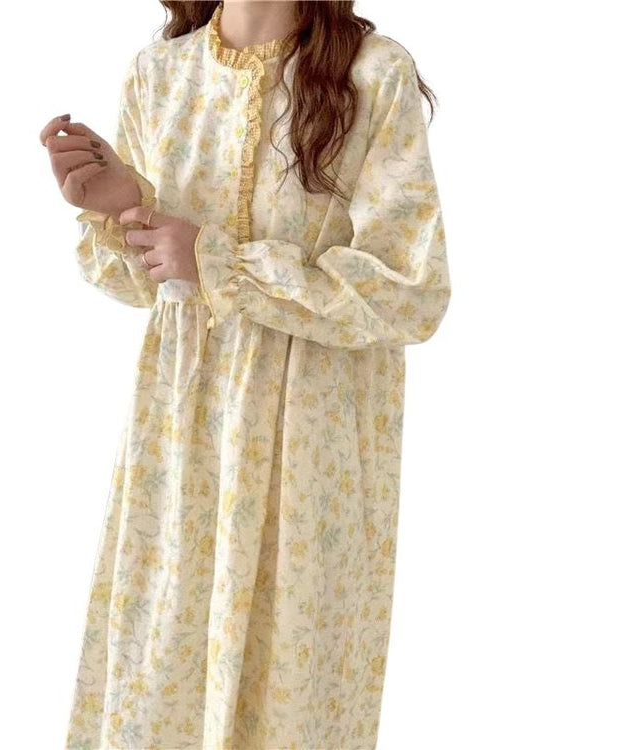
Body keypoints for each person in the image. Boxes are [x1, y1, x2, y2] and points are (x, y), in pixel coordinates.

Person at [40, 1, 451, 747]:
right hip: (182, 431)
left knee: (290, 677)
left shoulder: (371, 74)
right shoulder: (160, 73)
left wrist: (218, 261)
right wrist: (123, 208)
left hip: (313, 435)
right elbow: (143, 285)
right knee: (159, 664)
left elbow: (410, 292)